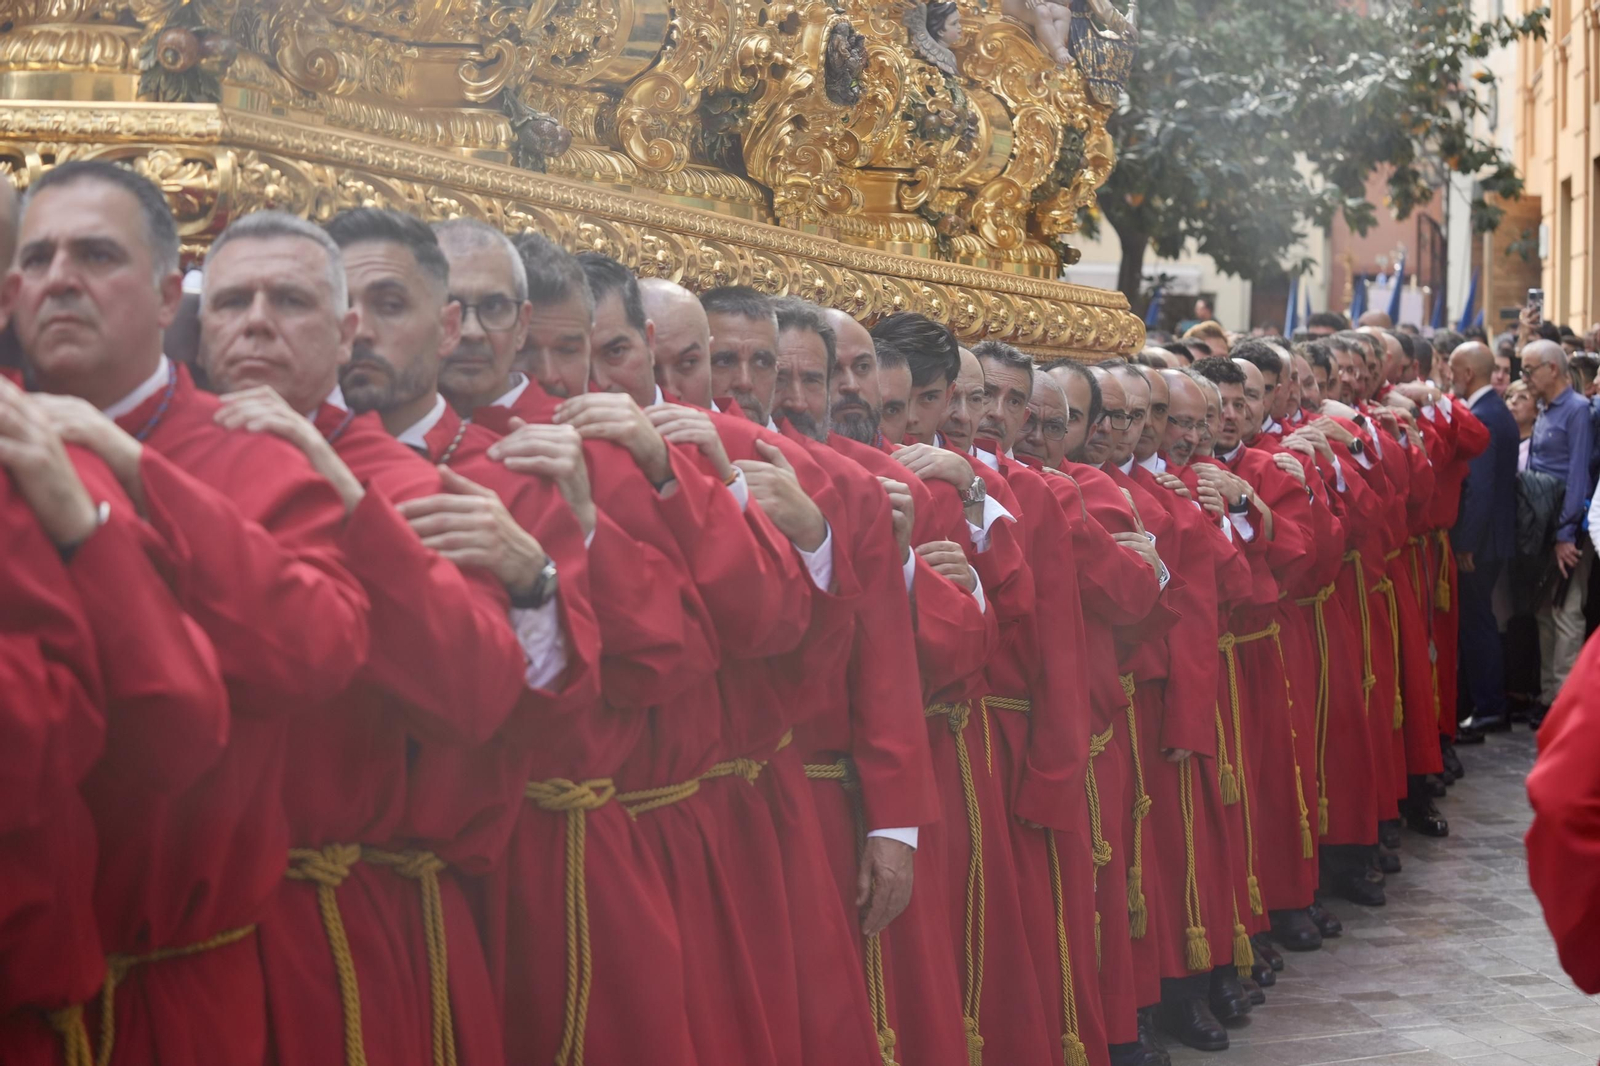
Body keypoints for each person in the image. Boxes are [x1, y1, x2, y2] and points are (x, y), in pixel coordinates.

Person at [9, 158, 373, 1066]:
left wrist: (136, 475)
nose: (60, 279)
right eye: (38, 257)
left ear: (170, 294)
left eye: (97, 255)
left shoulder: (256, 453)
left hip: (171, 983)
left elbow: (319, 653)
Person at [194, 209, 547, 1066]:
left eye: (291, 302)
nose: (257, 325)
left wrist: (350, 504)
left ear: (341, 329)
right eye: (232, 301)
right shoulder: (152, 446)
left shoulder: (415, 485)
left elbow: (477, 693)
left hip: (329, 921)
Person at [1448, 342, 1519, 738]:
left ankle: (1489, 706)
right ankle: (1484, 703)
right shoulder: (1494, 409)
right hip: (1491, 537)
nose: (1450, 377)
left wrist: (1466, 544)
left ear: (1468, 373)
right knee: (1479, 620)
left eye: (1453, 369)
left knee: (1477, 623)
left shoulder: (1484, 416)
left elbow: (1480, 488)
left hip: (1481, 542)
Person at [1522, 339, 1593, 723]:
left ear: (1553, 369)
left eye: (1529, 370)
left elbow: (1578, 474)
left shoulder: (1577, 410)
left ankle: (1565, 703)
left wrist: (1566, 533)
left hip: (1567, 529)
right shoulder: (1545, 408)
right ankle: (1549, 696)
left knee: (1566, 611)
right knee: (1544, 613)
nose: (1524, 378)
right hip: (1542, 525)